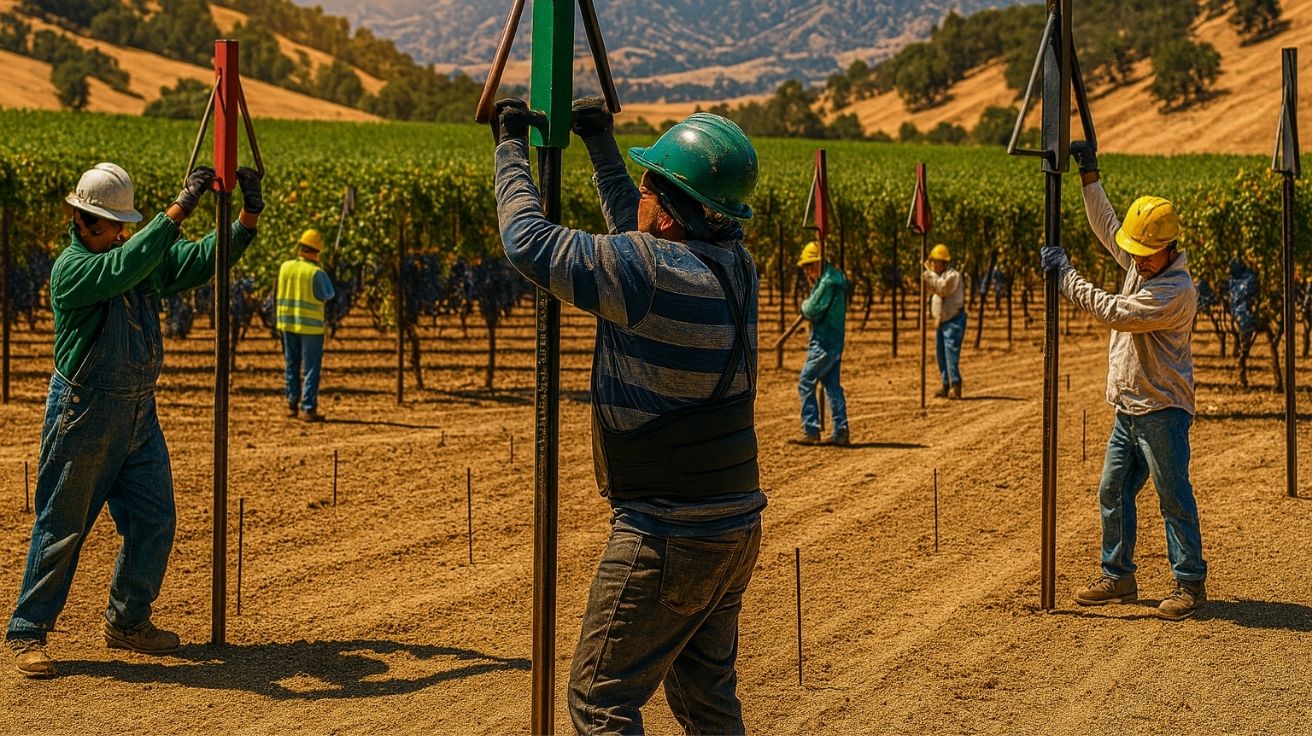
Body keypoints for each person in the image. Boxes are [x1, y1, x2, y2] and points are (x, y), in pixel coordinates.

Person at [492, 97, 764, 734]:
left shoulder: (644, 271)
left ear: (669, 214)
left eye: (649, 187)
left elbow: (526, 241)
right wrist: (600, 145)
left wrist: (509, 149)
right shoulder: (737, 268)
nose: (638, 195)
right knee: (706, 701)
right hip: (733, 525)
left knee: (600, 702)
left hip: (666, 533)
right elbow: (641, 233)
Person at [6, 163, 263, 678]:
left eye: (119, 225)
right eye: (104, 225)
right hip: (84, 416)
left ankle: (127, 621)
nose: (115, 233)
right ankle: (26, 632)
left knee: (154, 520)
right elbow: (126, 265)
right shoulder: (73, 271)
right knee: (62, 525)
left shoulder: (128, 255)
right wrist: (179, 209)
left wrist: (247, 218)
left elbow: (196, 261)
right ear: (78, 221)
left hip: (139, 414)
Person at [1041, 139, 1207, 621]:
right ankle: (1118, 576)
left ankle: (1189, 583)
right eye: (1135, 254)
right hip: (1128, 409)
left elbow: (1114, 311)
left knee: (1173, 496)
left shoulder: (1173, 291)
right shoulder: (1143, 263)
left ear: (1170, 249)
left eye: (1146, 255)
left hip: (1162, 411)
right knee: (1111, 492)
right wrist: (1089, 175)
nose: (1136, 260)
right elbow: (1110, 228)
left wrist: (1066, 275)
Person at [276, 229, 335, 422]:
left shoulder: (285, 267)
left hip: (287, 323)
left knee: (291, 364)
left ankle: (292, 404)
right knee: (310, 368)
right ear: (317, 251)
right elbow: (328, 295)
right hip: (310, 327)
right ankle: (309, 409)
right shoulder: (316, 273)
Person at [796, 242, 850, 445]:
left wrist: (804, 304)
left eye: (811, 265)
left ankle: (811, 430)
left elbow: (811, 310)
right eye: (806, 267)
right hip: (833, 340)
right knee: (832, 385)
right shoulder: (830, 279)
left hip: (824, 343)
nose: (808, 270)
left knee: (805, 381)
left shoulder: (828, 282)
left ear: (820, 261)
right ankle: (841, 430)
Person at [923, 244, 966, 398]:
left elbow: (942, 288)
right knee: (941, 353)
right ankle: (945, 384)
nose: (934, 264)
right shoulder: (938, 276)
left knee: (951, 354)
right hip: (941, 321)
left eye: (937, 261)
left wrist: (928, 274)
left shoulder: (952, 276)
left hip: (953, 320)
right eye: (933, 261)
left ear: (945, 262)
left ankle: (955, 385)